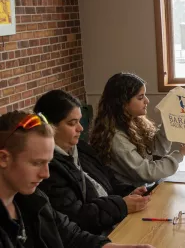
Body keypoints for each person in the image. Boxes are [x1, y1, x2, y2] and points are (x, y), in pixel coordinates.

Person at [0, 111, 154, 248]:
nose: (46, 174)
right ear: (3, 158)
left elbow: (71, 236)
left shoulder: (34, 200)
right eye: (37, 163)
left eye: (48, 162)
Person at [33, 90, 150, 235]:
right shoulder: (48, 169)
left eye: (79, 121)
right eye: (72, 123)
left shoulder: (81, 148)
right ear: (50, 128)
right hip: (100, 233)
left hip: (114, 219)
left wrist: (129, 192)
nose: (81, 128)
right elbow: (77, 216)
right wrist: (122, 205)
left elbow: (109, 180)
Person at [90, 73, 185, 187]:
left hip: (142, 189)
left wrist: (169, 120)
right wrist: (179, 155)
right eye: (140, 97)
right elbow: (147, 173)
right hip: (130, 196)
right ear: (123, 103)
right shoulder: (116, 138)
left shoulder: (133, 122)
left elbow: (157, 149)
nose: (147, 101)